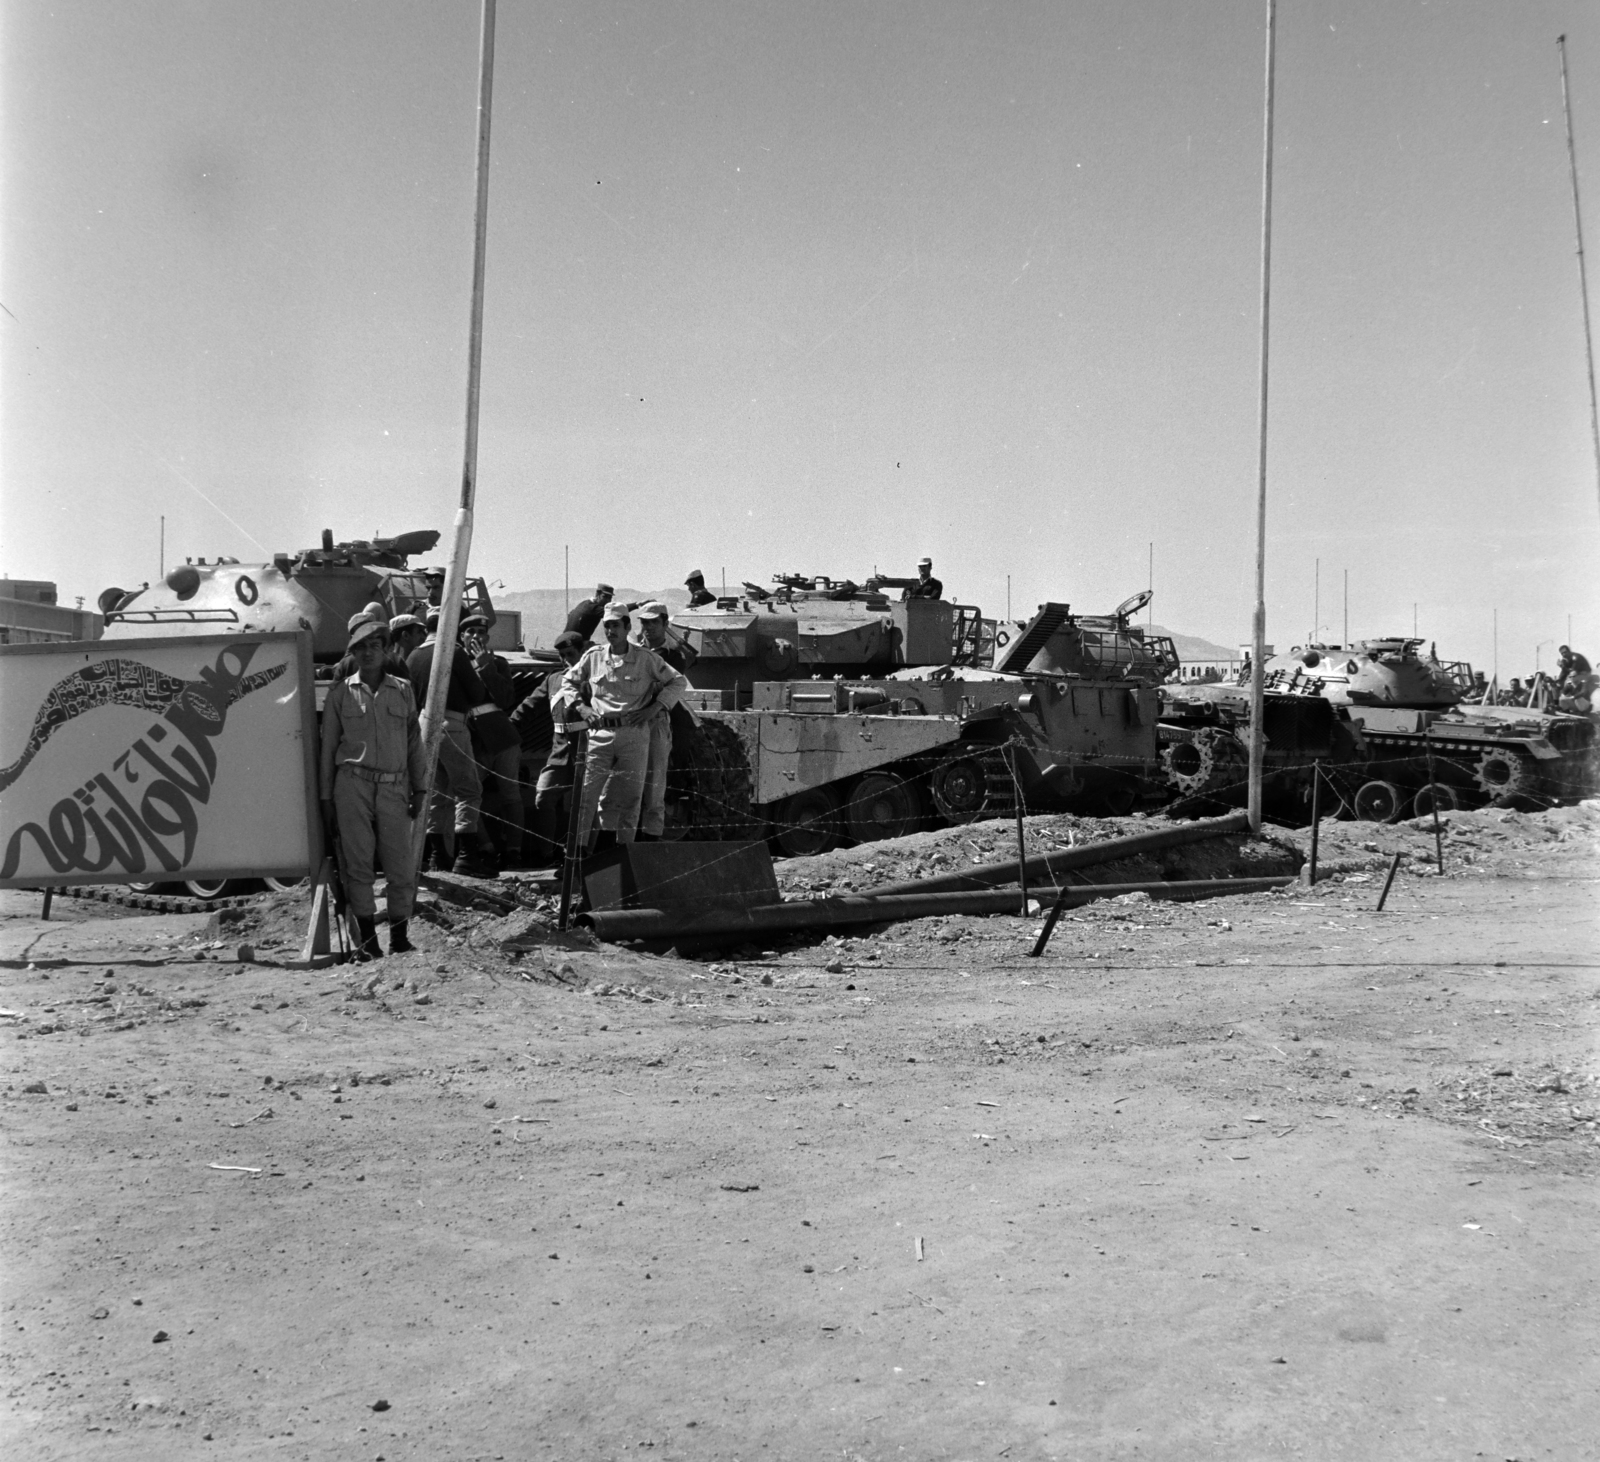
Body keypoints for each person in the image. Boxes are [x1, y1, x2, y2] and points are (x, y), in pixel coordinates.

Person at [319, 613, 428, 960]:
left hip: (395, 788)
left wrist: (421, 789)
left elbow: (415, 743)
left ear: (384, 648)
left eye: (375, 646)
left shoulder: (404, 691)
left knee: (400, 867)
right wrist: (325, 799)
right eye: (361, 647)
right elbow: (328, 750)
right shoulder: (340, 695)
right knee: (358, 867)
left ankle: (399, 940)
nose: (368, 653)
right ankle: (368, 943)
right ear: (352, 652)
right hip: (352, 788)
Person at [552, 604, 688, 852]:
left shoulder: (646, 659)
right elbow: (569, 681)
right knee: (588, 795)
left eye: (616, 625)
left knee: (633, 797)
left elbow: (678, 681)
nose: (610, 630)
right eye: (607, 625)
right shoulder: (593, 657)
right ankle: (579, 855)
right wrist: (581, 708)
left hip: (634, 733)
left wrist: (655, 707)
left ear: (627, 627)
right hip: (600, 733)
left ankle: (624, 853)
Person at [406, 609, 494, 876]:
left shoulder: (414, 656)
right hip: (452, 724)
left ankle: (438, 855)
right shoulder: (452, 652)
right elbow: (477, 692)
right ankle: (467, 856)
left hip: (423, 726)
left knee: (438, 793)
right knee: (468, 790)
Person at [512, 631, 587, 865]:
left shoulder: (595, 679)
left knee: (587, 805)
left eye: (571, 654)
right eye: (562, 656)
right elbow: (528, 706)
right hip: (561, 752)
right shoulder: (554, 679)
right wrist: (506, 729)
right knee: (543, 797)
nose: (567, 660)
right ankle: (548, 853)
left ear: (583, 652)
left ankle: (581, 855)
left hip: (590, 750)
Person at [459, 613, 524, 868]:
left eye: (481, 632)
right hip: (472, 740)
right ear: (461, 636)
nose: (476, 636)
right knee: (468, 794)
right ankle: (485, 848)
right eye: (470, 632)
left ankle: (514, 850)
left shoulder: (498, 663)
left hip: (502, 738)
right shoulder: (456, 664)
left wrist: (486, 667)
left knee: (512, 795)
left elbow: (506, 699)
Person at [631, 603, 700, 840]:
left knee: (661, 772)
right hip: (633, 716)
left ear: (665, 624)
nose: (648, 627)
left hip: (661, 715)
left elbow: (661, 686)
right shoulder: (632, 651)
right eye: (644, 622)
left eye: (654, 622)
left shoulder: (673, 656)